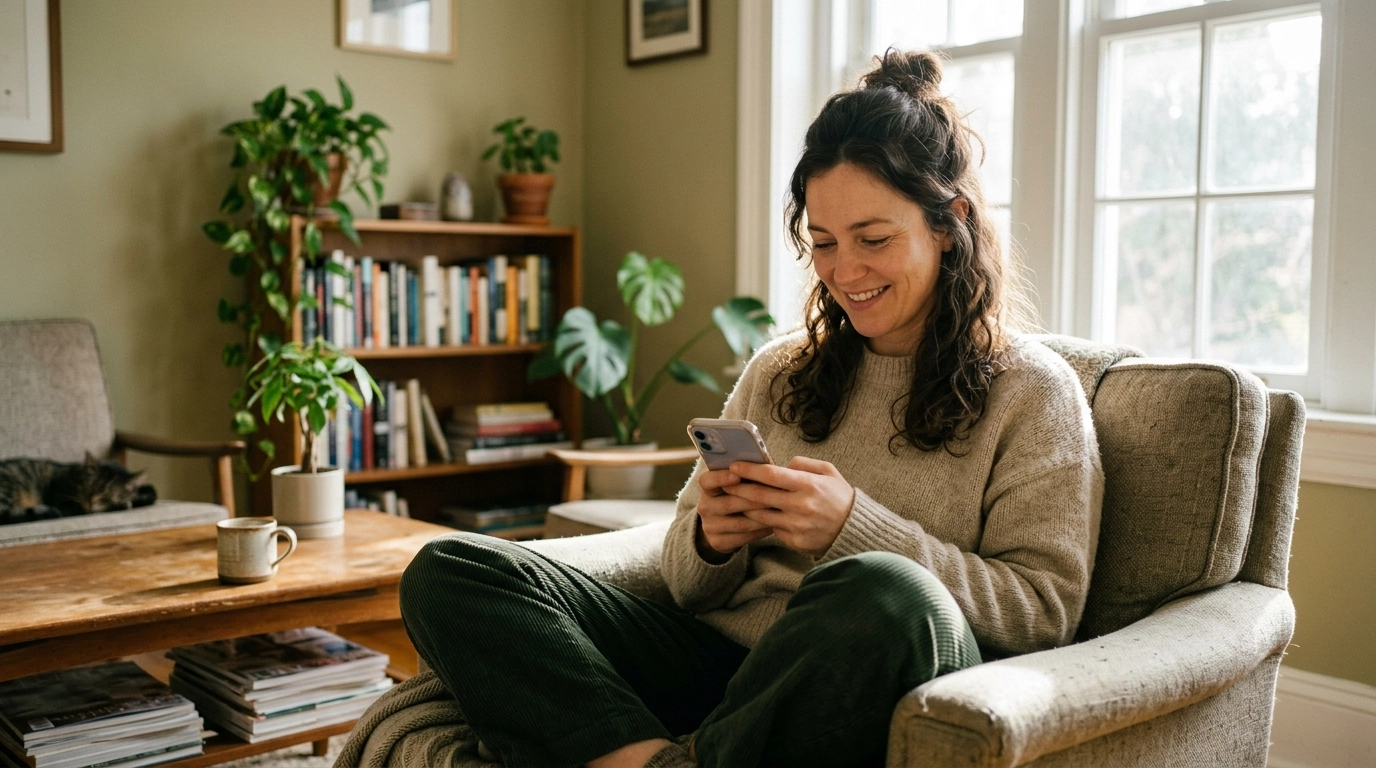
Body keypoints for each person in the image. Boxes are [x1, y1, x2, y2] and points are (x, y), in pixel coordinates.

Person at [399, 49, 1102, 768]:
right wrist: (712, 538)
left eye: (874, 239)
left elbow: (1042, 614)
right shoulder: (783, 370)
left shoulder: (1033, 392)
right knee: (453, 569)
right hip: (719, 659)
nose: (844, 272)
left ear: (950, 222)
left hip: (862, 669)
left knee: (882, 591)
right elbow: (681, 575)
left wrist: (851, 527)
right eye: (823, 243)